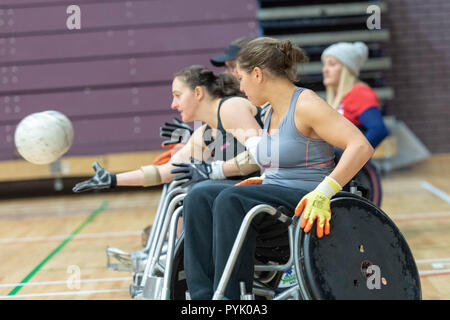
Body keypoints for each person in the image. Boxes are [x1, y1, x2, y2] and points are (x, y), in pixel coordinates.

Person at [181, 37, 374, 300]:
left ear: (258, 74)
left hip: (306, 194)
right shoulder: (271, 111)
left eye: (241, 78)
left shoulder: (306, 104)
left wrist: (325, 191)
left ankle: (233, 298)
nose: (240, 86)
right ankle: (202, 297)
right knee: (199, 195)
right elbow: (283, 159)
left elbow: (361, 146)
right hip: (278, 191)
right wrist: (264, 179)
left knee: (230, 198)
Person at [72, 65, 263, 193]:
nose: (173, 104)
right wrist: (113, 179)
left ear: (198, 92)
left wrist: (213, 170)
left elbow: (262, 154)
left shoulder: (231, 107)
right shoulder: (202, 134)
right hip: (239, 197)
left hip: (265, 189)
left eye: (178, 96)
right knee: (191, 193)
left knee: (199, 193)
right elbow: (165, 172)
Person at [321, 42, 388, 149]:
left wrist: (353, 156)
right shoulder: (337, 97)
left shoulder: (359, 92)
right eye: (324, 64)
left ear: (346, 69)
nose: (325, 69)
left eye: (332, 64)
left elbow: (378, 130)